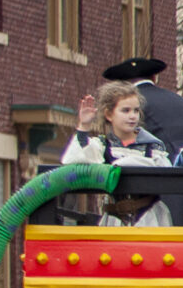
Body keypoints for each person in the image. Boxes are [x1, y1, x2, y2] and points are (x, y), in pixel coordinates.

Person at [62, 81, 174, 224]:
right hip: (115, 219)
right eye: (126, 110)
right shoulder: (104, 146)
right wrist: (84, 126)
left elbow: (166, 176)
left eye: (136, 111)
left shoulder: (152, 147)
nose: (132, 116)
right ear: (109, 114)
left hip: (148, 217)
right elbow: (77, 161)